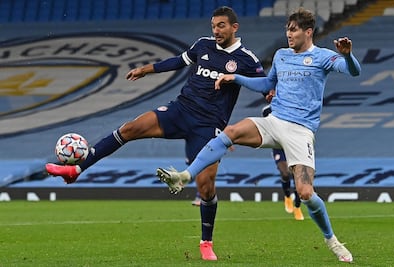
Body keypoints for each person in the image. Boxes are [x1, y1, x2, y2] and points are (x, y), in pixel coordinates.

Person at [45, 6, 265, 261]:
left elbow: (264, 84)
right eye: (213, 25)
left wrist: (254, 87)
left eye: (221, 26)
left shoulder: (246, 58)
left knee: (206, 187)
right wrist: (145, 69)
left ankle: (206, 242)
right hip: (180, 110)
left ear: (234, 27)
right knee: (130, 128)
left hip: (208, 125)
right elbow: (178, 61)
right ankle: (76, 170)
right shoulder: (203, 45)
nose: (216, 31)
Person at [156, 8, 361, 263]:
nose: (289, 34)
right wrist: (236, 78)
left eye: (294, 30)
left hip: (300, 131)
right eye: (287, 29)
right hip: (274, 121)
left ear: (308, 32)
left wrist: (349, 56)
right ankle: (185, 176)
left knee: (306, 193)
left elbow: (353, 71)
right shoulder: (281, 55)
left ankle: (332, 241)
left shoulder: (322, 57)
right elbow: (267, 84)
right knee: (230, 132)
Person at [262, 104, 304, 221]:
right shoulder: (267, 110)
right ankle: (287, 197)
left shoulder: (292, 106)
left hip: (293, 145)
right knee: (285, 173)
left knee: (297, 176)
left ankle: (297, 207)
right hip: (279, 146)